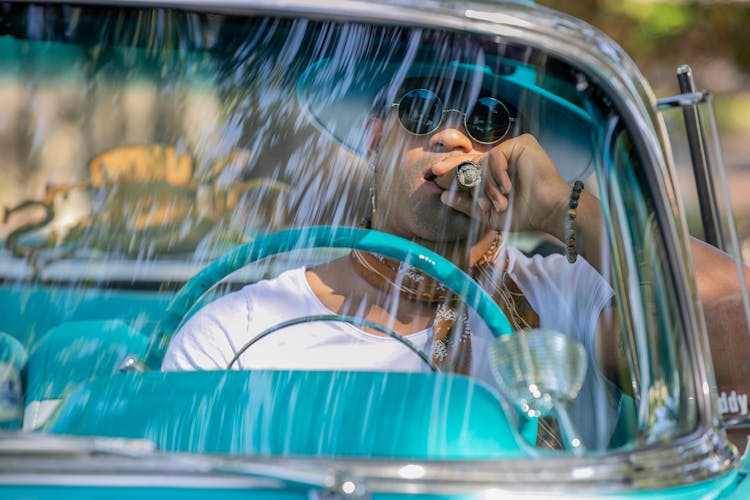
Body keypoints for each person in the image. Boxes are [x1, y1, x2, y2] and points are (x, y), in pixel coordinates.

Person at [162, 55, 750, 452]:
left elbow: (736, 331)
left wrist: (563, 211)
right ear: (374, 140)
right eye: (420, 109)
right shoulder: (238, 330)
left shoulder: (576, 294)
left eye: (487, 119)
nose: (453, 137)